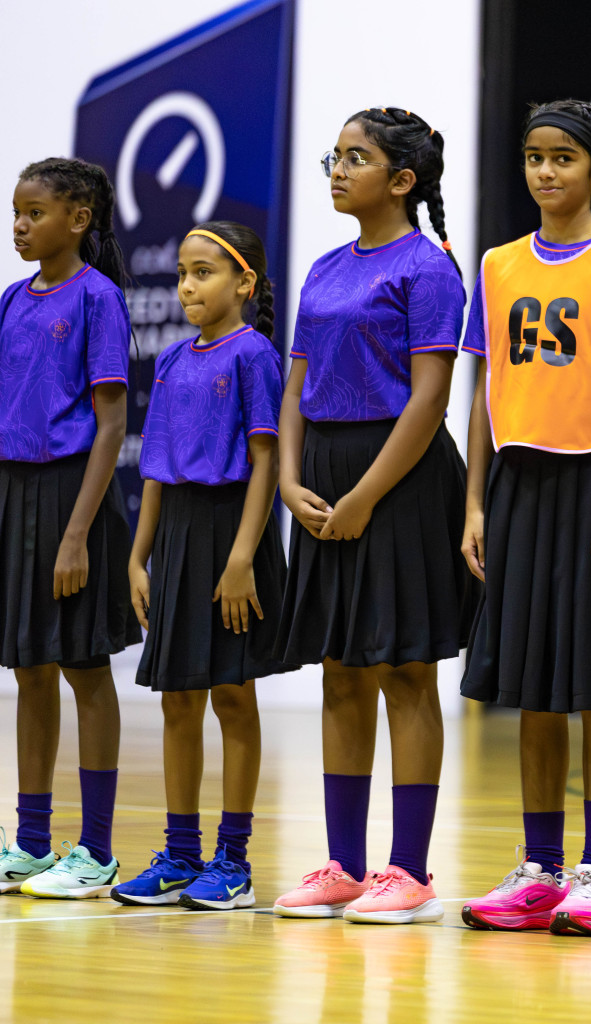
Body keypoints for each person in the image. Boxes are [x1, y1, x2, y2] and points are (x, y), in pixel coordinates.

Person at [459, 99, 591, 938]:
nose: (546, 171)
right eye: (535, 156)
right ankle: (539, 870)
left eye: (564, 158)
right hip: (518, 485)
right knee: (532, 691)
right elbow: (484, 387)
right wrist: (474, 501)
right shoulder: (498, 264)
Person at [272, 107, 472, 925]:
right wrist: (289, 480)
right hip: (322, 476)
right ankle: (344, 865)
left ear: (402, 180)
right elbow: (295, 386)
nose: (338, 169)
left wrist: (365, 496)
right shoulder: (323, 269)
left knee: (405, 669)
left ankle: (410, 872)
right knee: (340, 670)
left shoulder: (429, 270)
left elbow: (429, 399)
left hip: (401, 478)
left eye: (356, 158)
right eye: (336, 155)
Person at [110, 222, 289, 911]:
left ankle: (233, 862)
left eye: (204, 272)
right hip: (180, 538)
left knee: (233, 696)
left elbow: (266, 461)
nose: (187, 286)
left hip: (233, 535)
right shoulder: (172, 360)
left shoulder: (255, 356)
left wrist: (243, 557)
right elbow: (155, 470)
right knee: (178, 698)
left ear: (244, 283)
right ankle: (180, 854)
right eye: (183, 272)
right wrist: (137, 557)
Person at [1, 158, 137, 899]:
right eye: (16, 213)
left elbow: (111, 425)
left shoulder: (99, 298)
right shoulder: (10, 300)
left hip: (72, 496)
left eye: (35, 213)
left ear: (78, 220)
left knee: (85, 667)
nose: (20, 226)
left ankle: (98, 849)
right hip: (15, 494)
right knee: (29, 669)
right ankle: (30, 842)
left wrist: (78, 534)